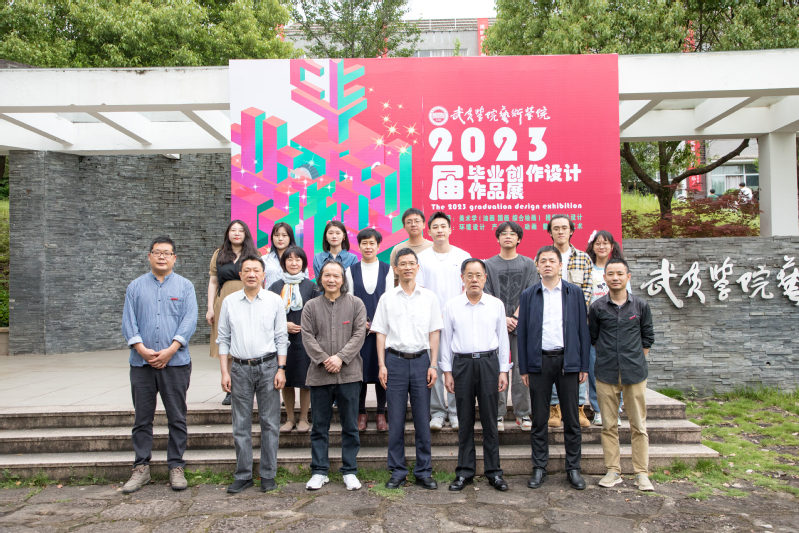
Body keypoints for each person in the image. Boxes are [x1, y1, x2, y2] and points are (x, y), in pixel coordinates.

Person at [121, 236, 198, 494]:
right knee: (142, 418)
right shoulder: (135, 286)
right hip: (141, 364)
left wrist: (171, 350)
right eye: (157, 252)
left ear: (174, 258)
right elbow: (128, 322)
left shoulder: (185, 287)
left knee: (177, 417)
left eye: (166, 253)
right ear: (149, 256)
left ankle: (176, 466)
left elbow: (189, 320)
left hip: (176, 363)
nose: (162, 257)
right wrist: (141, 350)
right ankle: (141, 467)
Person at [517, 246, 590, 491]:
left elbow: (582, 330)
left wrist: (583, 365)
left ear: (560, 265)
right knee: (539, 418)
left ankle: (573, 468)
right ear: (537, 266)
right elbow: (523, 333)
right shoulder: (529, 294)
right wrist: (524, 368)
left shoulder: (574, 292)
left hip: (568, 361)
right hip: (539, 362)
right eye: (543, 261)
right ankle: (539, 467)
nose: (547, 264)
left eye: (552, 260)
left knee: (572, 418)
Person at [371, 248, 443, 489]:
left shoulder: (429, 297)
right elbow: (380, 333)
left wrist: (433, 364)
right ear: (396, 268)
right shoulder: (387, 298)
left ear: (417, 267)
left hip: (422, 361)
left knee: (423, 419)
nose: (408, 267)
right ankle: (397, 471)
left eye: (412, 263)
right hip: (395, 361)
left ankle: (424, 471)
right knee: (396, 418)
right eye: (403, 264)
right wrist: (382, 365)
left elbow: (434, 332)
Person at [217, 255, 288, 493]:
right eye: (246, 270)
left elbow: (281, 337)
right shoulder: (229, 302)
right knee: (240, 424)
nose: (251, 274)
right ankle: (243, 474)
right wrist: (224, 372)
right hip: (239, 369)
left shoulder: (274, 300)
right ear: (240, 274)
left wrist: (281, 369)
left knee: (270, 423)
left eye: (256, 270)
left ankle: (268, 474)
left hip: (268, 367)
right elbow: (223, 339)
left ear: (263, 275)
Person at [441, 258, 511, 492]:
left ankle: (494, 472)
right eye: (469, 275)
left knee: (490, 419)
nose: (474, 279)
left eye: (478, 275)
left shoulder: (496, 305)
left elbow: (503, 339)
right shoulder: (451, 306)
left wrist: (503, 370)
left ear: (485, 278)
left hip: (489, 363)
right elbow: (445, 341)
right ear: (462, 278)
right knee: (465, 420)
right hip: (462, 365)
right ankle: (464, 472)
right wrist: (447, 371)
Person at [589, 257, 655, 492]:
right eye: (611, 274)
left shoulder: (640, 306)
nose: (615, 278)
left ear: (628, 277)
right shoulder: (597, 307)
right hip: (606, 373)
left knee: (638, 426)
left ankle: (641, 473)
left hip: (634, 373)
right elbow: (593, 338)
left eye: (619, 274)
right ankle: (613, 470)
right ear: (604, 278)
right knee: (608, 426)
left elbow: (647, 337)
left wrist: (636, 360)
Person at [301, 260, 367, 491]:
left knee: (350, 426)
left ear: (343, 279)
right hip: (320, 376)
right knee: (319, 426)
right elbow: (307, 336)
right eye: (327, 275)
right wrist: (323, 359)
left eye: (336, 276)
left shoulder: (356, 304)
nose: (331, 280)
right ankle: (319, 471)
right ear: (320, 279)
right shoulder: (310, 306)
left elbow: (359, 334)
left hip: (349, 375)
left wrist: (340, 358)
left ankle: (350, 471)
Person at [417, 211, 471, 431]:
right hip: (432, 322)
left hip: (459, 320)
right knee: (435, 366)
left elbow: (468, 287)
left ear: (450, 229)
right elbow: (420, 290)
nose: (439, 230)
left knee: (458, 366)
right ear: (429, 231)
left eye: (443, 226)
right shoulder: (422, 258)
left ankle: (456, 412)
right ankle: (438, 412)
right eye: (435, 227)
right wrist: (432, 315)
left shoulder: (463, 256)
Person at [484, 221, 539, 432]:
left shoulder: (528, 264)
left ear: (519, 239)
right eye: (503, 233)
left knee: (520, 370)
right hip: (496, 327)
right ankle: (497, 414)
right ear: (497, 238)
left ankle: (522, 413)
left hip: (521, 325)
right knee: (497, 369)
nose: (508, 236)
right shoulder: (488, 265)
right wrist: (503, 319)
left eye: (513, 233)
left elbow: (531, 293)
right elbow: (487, 294)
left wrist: (514, 317)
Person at [206, 220, 260, 405]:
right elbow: (213, 282)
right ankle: (231, 388)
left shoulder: (254, 254)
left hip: (249, 301)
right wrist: (210, 308)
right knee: (227, 346)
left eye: (240, 230)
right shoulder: (219, 254)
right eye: (233, 230)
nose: (237, 233)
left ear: (246, 234)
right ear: (227, 234)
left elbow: (261, 281)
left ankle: (250, 387)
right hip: (223, 303)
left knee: (247, 342)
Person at [547, 214, 592, 429]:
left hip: (575, 320)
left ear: (571, 231)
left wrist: (576, 315)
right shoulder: (545, 257)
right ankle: (554, 407)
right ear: (550, 232)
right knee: (552, 361)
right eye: (556, 228)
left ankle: (578, 407)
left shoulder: (583, 258)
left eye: (564, 228)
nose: (560, 231)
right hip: (551, 320)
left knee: (577, 362)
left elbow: (588, 288)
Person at [345, 228, 393, 431]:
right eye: (364, 243)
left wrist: (379, 324)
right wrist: (359, 323)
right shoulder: (351, 270)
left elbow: (390, 300)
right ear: (359, 246)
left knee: (382, 371)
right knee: (361, 372)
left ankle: (381, 413)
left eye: (372, 243)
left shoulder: (387, 269)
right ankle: (361, 413)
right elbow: (349, 300)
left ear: (378, 246)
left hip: (382, 331)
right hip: (359, 331)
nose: (368, 247)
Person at [268, 246, 319, 434]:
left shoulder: (312, 287)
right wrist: (284, 325)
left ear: (303, 263)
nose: (294, 263)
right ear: (283, 263)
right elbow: (268, 314)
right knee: (286, 380)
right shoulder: (275, 287)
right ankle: (290, 418)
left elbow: (318, 313)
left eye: (298, 259)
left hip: (306, 340)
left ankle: (304, 417)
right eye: (289, 259)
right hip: (282, 342)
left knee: (306, 380)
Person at [585, 230, 629, 427]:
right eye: (598, 243)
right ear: (592, 246)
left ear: (612, 246)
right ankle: (598, 409)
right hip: (592, 325)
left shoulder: (619, 268)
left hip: (615, 327)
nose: (601, 246)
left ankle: (615, 409)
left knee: (616, 369)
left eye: (605, 243)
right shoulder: (588, 269)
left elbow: (628, 299)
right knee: (594, 368)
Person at [388, 208, 433, 287]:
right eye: (409, 222)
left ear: (424, 224)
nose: (413, 224)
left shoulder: (433, 247)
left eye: (417, 221)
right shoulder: (397, 249)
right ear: (404, 227)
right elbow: (395, 279)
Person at [263, 222, 304, 290]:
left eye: (284, 235)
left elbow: (305, 283)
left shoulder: (299, 259)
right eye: (276, 235)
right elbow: (259, 283)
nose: (280, 238)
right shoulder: (264, 260)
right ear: (272, 238)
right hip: (270, 295)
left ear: (290, 237)